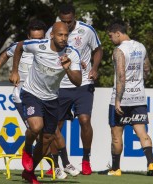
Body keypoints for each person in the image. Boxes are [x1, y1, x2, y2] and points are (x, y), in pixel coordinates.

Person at [9, 21, 82, 184]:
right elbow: (20, 46)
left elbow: (78, 81)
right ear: (52, 35)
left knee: (48, 138)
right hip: (31, 93)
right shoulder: (38, 45)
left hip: (52, 99)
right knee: (36, 127)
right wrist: (15, 71)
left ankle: (29, 172)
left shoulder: (72, 53)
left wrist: (67, 68)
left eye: (66, 35)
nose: (64, 38)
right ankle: (27, 147)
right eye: (60, 35)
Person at [45, 3, 103, 175]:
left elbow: (98, 49)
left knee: (84, 120)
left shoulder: (87, 30)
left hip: (83, 83)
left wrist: (95, 68)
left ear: (74, 17)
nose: (67, 25)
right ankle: (54, 165)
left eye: (69, 21)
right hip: (60, 86)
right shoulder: (51, 31)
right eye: (63, 21)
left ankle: (86, 160)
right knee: (56, 126)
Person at [106, 20, 153, 176]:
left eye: (110, 36)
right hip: (139, 97)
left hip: (123, 98)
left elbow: (121, 76)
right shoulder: (141, 47)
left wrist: (118, 100)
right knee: (142, 133)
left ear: (118, 33)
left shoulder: (119, 50)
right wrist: (139, 82)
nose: (110, 39)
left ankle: (116, 168)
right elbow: (147, 69)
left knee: (116, 136)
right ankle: (151, 165)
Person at [0, 20, 46, 124]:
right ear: (28, 37)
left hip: (45, 97)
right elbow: (5, 55)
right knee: (35, 129)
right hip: (22, 97)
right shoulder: (19, 47)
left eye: (40, 39)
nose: (37, 42)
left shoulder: (51, 50)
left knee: (47, 134)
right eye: (34, 39)